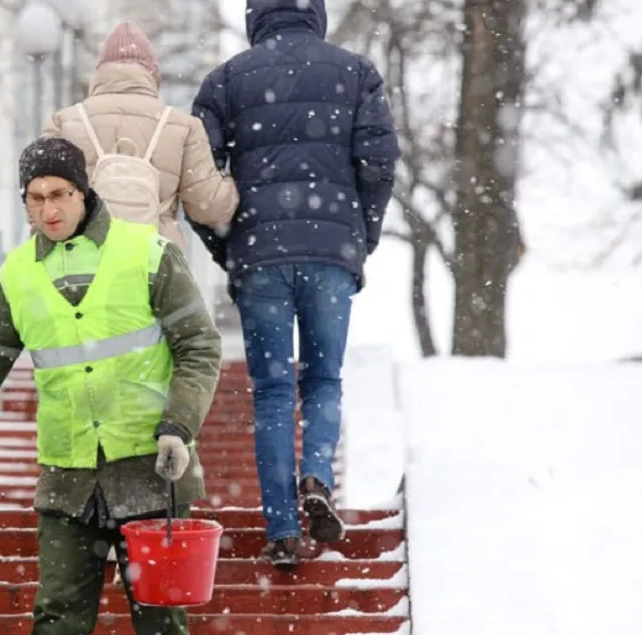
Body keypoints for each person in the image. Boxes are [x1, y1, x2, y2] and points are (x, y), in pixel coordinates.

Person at [0, 137, 223, 635]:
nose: (49, 209)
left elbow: (200, 347)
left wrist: (177, 426)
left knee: (161, 621)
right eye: (36, 198)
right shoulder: (16, 276)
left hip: (152, 468)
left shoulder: (149, 255)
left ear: (82, 193)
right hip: (69, 478)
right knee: (56, 621)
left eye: (59, 194)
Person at [188, 0, 400, 568]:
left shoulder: (226, 80)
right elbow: (379, 163)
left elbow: (197, 181)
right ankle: (317, 479)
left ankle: (282, 528)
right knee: (324, 379)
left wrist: (229, 246)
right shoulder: (356, 73)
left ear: (257, 16)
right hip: (331, 254)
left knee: (274, 392)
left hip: (259, 257)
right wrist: (358, 237)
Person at [41, 21, 238, 251]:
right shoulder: (182, 126)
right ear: (152, 74)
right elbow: (210, 207)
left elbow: (40, 203)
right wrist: (236, 176)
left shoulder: (63, 122)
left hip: (79, 266)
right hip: (155, 265)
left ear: (100, 72)